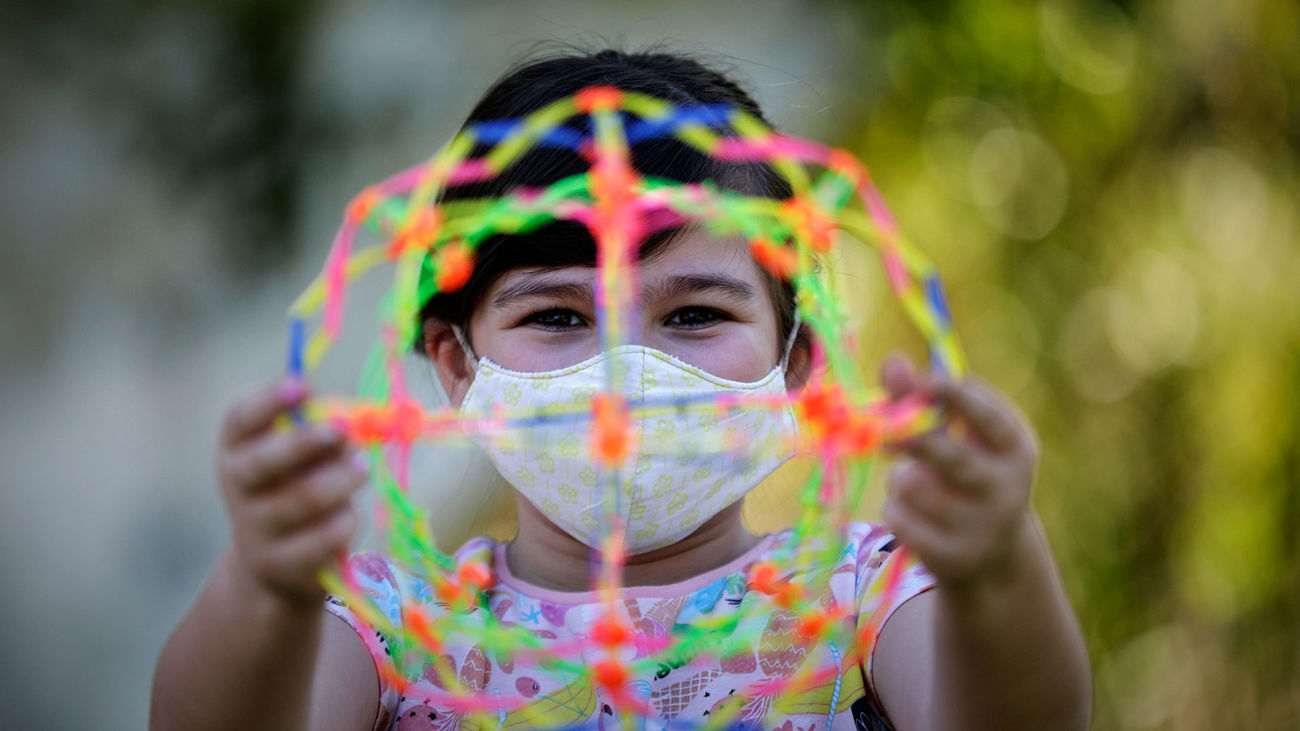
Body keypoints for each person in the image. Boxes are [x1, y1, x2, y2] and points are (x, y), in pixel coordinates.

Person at [150, 48, 1091, 731]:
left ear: (796, 367)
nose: (621, 378)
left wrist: (997, 567)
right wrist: (261, 587)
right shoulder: (399, 628)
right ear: (457, 367)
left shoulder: (861, 594)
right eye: (556, 317)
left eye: (693, 317)